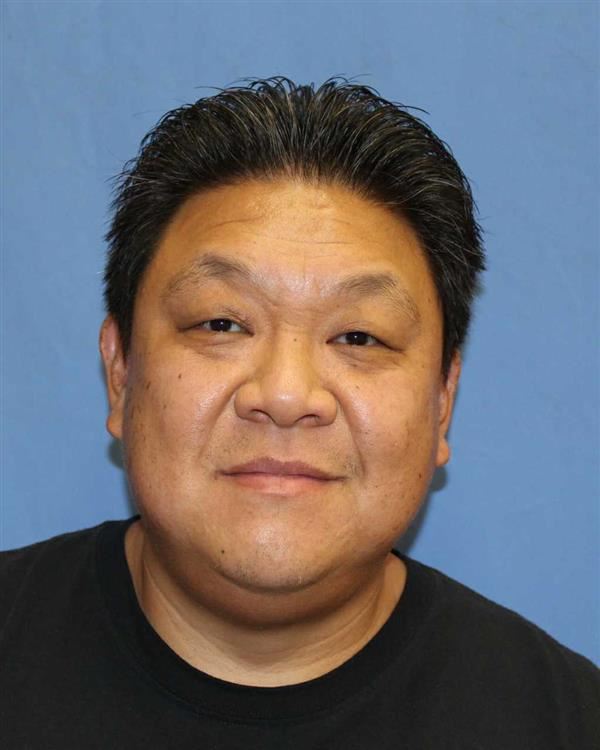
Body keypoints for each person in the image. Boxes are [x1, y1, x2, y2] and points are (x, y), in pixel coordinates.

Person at [1, 78, 598, 749]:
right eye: (222, 323)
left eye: (359, 337)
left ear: (442, 402)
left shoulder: (566, 722)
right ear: (120, 375)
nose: (286, 397)